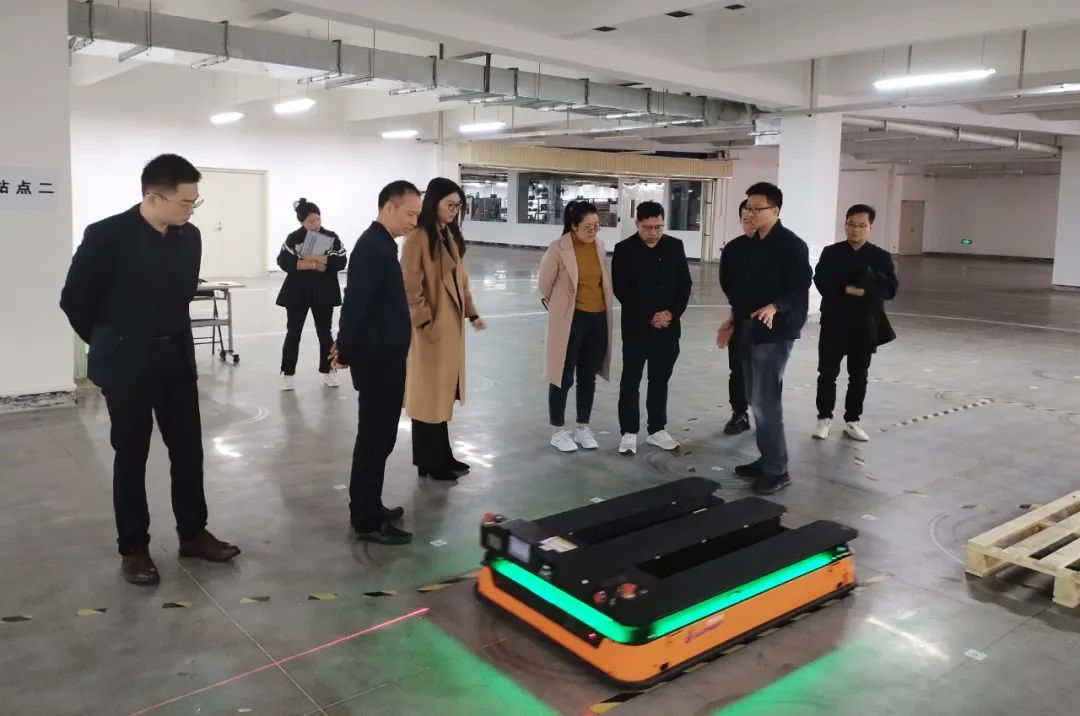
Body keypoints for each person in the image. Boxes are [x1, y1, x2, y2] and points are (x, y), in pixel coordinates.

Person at [59, 154, 241, 586]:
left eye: (195, 202)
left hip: (175, 359)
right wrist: (110, 341)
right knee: (131, 454)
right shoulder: (107, 236)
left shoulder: (189, 237)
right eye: (185, 202)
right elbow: (74, 299)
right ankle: (134, 547)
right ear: (153, 197)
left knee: (188, 450)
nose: (191, 210)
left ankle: (193, 532)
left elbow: (182, 295)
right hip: (127, 364)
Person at [330, 180, 421, 546]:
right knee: (373, 438)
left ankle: (371, 504)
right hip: (378, 359)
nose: (413, 222)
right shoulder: (372, 247)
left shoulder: (382, 245)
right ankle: (366, 519)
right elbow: (355, 303)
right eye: (410, 214)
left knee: (381, 438)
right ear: (389, 208)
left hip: (387, 356)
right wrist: (344, 349)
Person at [716, 182, 811, 495]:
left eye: (758, 208)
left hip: (774, 331)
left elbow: (799, 287)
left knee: (765, 400)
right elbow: (742, 290)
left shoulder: (791, 245)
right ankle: (767, 458)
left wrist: (775, 306)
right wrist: (733, 319)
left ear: (776, 210)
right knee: (753, 397)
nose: (751, 213)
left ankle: (777, 470)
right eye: (748, 208)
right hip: (748, 327)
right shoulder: (750, 245)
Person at [401, 178, 486, 482]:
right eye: (450, 204)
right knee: (428, 397)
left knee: (440, 395)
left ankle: (441, 455)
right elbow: (410, 285)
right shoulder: (418, 237)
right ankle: (428, 461)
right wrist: (424, 322)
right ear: (433, 203)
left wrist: (472, 313)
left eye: (458, 206)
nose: (454, 211)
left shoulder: (448, 235)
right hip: (430, 331)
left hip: (449, 329)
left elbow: (461, 282)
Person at [812, 204, 898, 442]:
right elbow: (821, 280)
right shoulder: (831, 252)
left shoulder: (880, 256)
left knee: (859, 375)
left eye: (861, 225)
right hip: (834, 322)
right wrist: (845, 289)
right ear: (845, 224)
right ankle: (824, 418)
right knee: (827, 372)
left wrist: (867, 289)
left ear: (870, 227)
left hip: (864, 324)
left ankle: (853, 420)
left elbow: (891, 289)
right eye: (851, 224)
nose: (855, 230)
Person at [612, 201, 692, 455]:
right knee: (631, 380)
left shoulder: (675, 246)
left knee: (660, 381)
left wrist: (671, 314)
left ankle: (657, 429)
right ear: (637, 224)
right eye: (648, 228)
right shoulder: (624, 250)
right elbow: (621, 290)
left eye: (658, 227)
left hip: (668, 328)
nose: (654, 233)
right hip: (637, 328)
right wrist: (649, 316)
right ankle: (628, 432)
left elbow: (685, 286)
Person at [538, 200, 614, 452]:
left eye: (596, 226)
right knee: (562, 375)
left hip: (597, 318)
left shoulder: (599, 247)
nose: (593, 231)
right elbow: (544, 285)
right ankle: (558, 430)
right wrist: (561, 308)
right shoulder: (557, 248)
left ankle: (582, 427)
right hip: (571, 319)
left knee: (588, 376)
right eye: (587, 227)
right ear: (573, 226)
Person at [276, 198, 348, 390]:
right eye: (310, 221)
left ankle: (329, 370)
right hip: (297, 292)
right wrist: (317, 263)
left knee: (325, 333)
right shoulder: (294, 237)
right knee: (293, 333)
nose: (316, 224)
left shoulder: (331, 236)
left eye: (318, 219)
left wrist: (305, 260)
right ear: (302, 222)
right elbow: (284, 262)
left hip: (324, 292)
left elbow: (341, 261)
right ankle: (287, 373)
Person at [718, 200, 755, 435]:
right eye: (745, 220)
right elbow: (727, 282)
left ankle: (767, 414)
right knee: (738, 368)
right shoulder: (733, 249)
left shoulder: (777, 248)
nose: (750, 223)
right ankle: (739, 412)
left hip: (772, 320)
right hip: (741, 317)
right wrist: (738, 309)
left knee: (769, 370)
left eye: (753, 218)